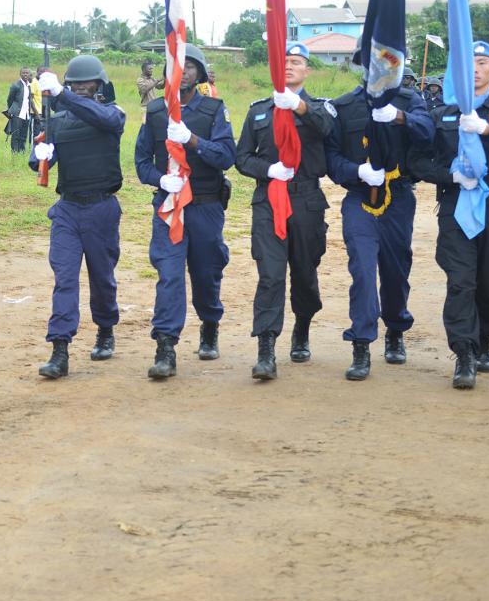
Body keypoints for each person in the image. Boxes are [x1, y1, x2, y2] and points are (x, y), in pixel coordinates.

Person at [408, 41, 489, 389]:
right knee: (460, 282)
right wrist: (451, 176)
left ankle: (485, 338)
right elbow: (417, 161)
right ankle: (464, 353)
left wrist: (487, 129)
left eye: (483, 62)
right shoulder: (442, 113)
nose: (475, 68)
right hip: (455, 205)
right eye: (468, 63)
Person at [324, 54, 434, 380]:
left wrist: (400, 117)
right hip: (360, 197)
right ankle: (361, 343)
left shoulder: (409, 100)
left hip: (398, 196)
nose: (378, 67)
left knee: (395, 268)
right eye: (371, 61)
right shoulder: (343, 106)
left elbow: (428, 132)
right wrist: (356, 170)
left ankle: (396, 327)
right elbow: (331, 158)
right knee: (362, 267)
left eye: (385, 61)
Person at [234, 42, 336, 380]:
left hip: (306, 200)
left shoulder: (319, 107)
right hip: (269, 200)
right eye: (284, 61)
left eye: (296, 61)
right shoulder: (258, 111)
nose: (289, 66)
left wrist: (299, 107)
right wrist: (268, 170)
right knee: (271, 275)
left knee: (304, 273)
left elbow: (327, 129)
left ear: (308, 70)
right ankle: (266, 349)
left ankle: (302, 326)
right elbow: (242, 157)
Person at [136, 45, 236, 379]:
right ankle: (165, 347)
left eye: (190, 66)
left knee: (206, 272)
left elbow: (227, 156)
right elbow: (141, 162)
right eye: (177, 66)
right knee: (169, 274)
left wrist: (192, 140)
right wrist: (160, 179)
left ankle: (210, 324)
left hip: (205, 205)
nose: (183, 72)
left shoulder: (213, 109)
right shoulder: (155, 112)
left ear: (200, 73)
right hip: (169, 207)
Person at [29, 56, 126, 380]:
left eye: (87, 83)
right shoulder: (58, 122)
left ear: (100, 85)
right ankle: (60, 350)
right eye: (74, 84)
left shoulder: (112, 114)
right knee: (65, 278)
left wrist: (61, 94)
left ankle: (105, 329)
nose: (80, 88)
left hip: (101, 209)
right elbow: (40, 163)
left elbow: (100, 117)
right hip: (68, 210)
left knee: (102, 278)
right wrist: (39, 155)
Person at [5, 67, 35, 153]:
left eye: (27, 73)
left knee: (23, 135)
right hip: (17, 114)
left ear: (29, 74)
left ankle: (22, 152)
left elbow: (29, 100)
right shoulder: (16, 85)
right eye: (23, 73)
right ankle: (14, 153)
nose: (25, 74)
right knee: (16, 135)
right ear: (20, 74)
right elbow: (10, 99)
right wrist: (12, 110)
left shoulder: (29, 86)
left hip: (26, 114)